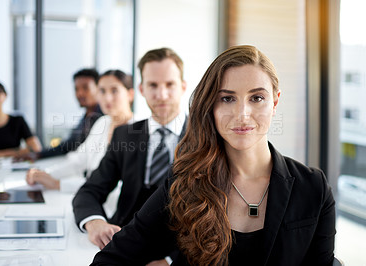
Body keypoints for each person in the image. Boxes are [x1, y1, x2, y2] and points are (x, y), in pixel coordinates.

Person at [90, 45, 336, 265]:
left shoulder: (313, 186)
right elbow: (113, 258)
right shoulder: (185, 183)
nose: (242, 114)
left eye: (257, 98)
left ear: (275, 102)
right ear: (211, 107)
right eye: (227, 98)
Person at [72, 48, 187, 258]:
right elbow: (90, 190)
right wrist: (94, 222)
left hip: (176, 250)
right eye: (153, 85)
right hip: (123, 240)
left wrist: (173, 262)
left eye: (169, 85)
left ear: (183, 86)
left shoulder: (207, 138)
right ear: (142, 89)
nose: (161, 95)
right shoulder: (125, 135)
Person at [25, 70, 134, 193]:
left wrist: (58, 184)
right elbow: (78, 160)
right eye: (102, 91)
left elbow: (115, 186)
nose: (107, 98)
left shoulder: (138, 132)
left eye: (114, 91)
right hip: (90, 199)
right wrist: (44, 175)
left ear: (130, 94)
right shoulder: (102, 123)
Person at [22, 68, 104, 160]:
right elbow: (68, 145)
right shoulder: (85, 118)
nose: (79, 93)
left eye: (85, 88)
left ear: (99, 89)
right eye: (76, 89)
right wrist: (38, 154)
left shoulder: (104, 117)